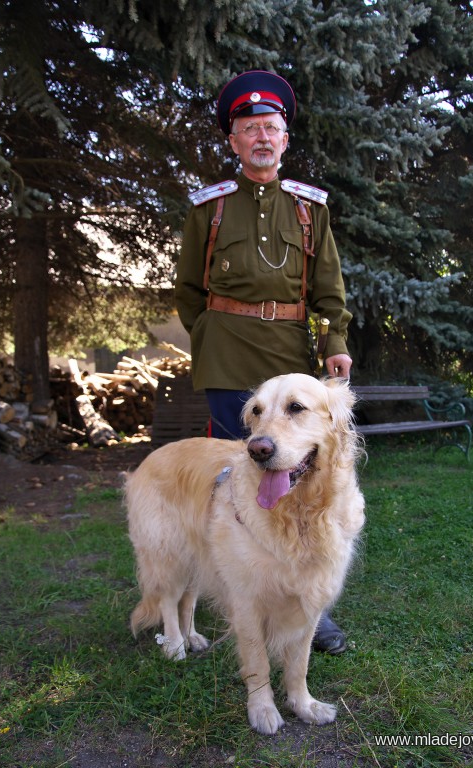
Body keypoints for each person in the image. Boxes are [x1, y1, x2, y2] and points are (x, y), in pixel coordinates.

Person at [175, 70, 353, 655]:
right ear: (233, 140)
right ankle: (242, 591)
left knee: (301, 484)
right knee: (238, 485)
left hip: (286, 359)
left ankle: (306, 607)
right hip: (227, 358)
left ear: (284, 139)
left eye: (271, 128)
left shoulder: (309, 210)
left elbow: (328, 288)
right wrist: (210, 333)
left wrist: (333, 344)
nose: (261, 137)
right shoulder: (211, 208)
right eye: (249, 128)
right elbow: (187, 292)